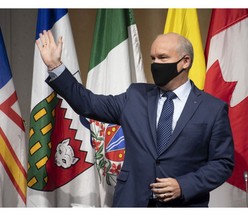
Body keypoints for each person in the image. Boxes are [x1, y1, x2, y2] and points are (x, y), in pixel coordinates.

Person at [36, 30, 234, 207]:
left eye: (163, 58)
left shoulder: (212, 109)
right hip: (132, 202)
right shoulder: (135, 96)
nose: (156, 64)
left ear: (185, 61)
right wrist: (56, 66)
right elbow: (87, 104)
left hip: (183, 204)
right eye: (153, 58)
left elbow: (222, 163)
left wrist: (184, 185)